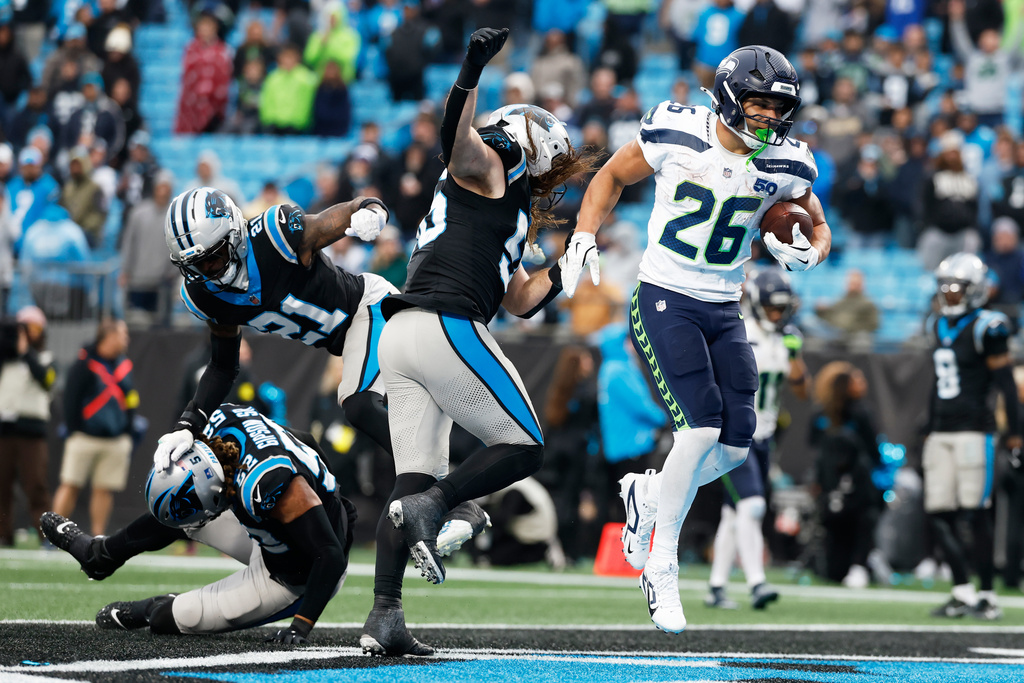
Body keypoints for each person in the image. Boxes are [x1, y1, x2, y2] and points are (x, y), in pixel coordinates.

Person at [561, 44, 832, 633]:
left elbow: (814, 215)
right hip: (663, 295)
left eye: (777, 109)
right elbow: (610, 174)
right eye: (758, 106)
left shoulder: (786, 161)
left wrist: (813, 250)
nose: (769, 119)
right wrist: (583, 233)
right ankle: (662, 562)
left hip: (724, 304)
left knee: (738, 441)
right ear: (732, 99)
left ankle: (649, 496)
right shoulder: (677, 132)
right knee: (701, 425)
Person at [363, 27, 593, 656]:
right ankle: (449, 507)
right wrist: (470, 67)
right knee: (524, 443)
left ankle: (384, 614)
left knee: (407, 485)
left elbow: (519, 297)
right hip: (445, 326)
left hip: (402, 335)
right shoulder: (499, 161)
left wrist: (568, 265)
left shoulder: (505, 208)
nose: (549, 183)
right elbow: (457, 143)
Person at [41, 402, 355, 644]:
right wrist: (330, 495)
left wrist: (301, 626)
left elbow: (329, 555)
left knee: (174, 619)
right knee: (182, 513)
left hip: (298, 576)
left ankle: (157, 605)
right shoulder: (220, 422)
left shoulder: (268, 485)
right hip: (271, 534)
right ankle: (102, 555)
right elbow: (304, 440)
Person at [704, 268, 809, 610]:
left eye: (783, 308)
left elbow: (802, 391)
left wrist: (794, 357)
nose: (778, 314)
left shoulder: (787, 337)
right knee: (753, 505)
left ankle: (716, 586)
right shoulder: (741, 331)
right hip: (735, 432)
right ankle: (757, 583)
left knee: (735, 514)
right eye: (773, 307)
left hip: (764, 436)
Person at [924, 253, 1019, 621]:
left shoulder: (988, 326)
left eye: (956, 286)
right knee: (938, 512)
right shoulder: (936, 324)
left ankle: (988, 594)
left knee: (975, 515)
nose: (948, 293)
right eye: (944, 286)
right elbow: (936, 383)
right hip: (942, 430)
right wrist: (928, 425)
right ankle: (962, 589)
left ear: (975, 289)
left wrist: (1015, 433)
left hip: (975, 432)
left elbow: (1006, 385)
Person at [52, 319, 136, 536]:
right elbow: (70, 398)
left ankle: (98, 536)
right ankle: (53, 535)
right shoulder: (84, 363)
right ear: (109, 336)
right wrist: (74, 430)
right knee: (70, 485)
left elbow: (130, 400)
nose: (126, 339)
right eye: (122, 334)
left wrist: (127, 430)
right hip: (84, 438)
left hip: (115, 440)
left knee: (104, 489)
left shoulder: (122, 365)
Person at [0, 308, 55, 546]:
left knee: (36, 486)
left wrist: (26, 352)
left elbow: (47, 380)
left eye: (33, 329)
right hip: (4, 430)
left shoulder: (45, 357)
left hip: (32, 431)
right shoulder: (5, 360)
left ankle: (47, 536)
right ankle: (4, 534)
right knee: (1, 486)